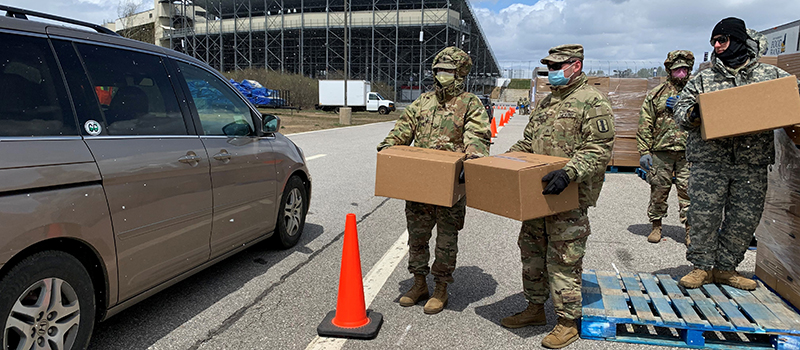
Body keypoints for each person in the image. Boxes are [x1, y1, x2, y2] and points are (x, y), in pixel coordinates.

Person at [674, 17, 800, 291]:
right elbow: (680, 113)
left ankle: (726, 269)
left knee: (744, 219)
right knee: (704, 216)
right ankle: (701, 268)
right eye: (714, 42)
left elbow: (793, 104)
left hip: (751, 163)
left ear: (739, 40)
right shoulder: (704, 78)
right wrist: (694, 113)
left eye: (723, 40)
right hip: (710, 162)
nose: (717, 46)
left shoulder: (770, 77)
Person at [501, 44, 614, 349]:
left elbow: (599, 148)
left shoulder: (592, 101)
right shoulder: (546, 102)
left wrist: (569, 172)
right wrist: (501, 163)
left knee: (564, 258)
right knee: (532, 251)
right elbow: (527, 142)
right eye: (548, 66)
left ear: (575, 66)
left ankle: (567, 322)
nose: (551, 71)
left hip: (569, 195)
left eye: (556, 66)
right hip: (536, 194)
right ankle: (535, 309)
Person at [377, 46, 491, 314]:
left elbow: (477, 138)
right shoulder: (422, 102)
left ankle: (441, 288)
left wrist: (471, 161)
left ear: (461, 73)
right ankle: (419, 283)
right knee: (417, 236)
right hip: (419, 183)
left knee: (446, 239)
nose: (442, 75)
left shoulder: (470, 104)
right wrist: (388, 148)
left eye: (449, 71)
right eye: (439, 70)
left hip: (451, 185)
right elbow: (402, 130)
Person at [636, 50, 694, 244]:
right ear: (669, 70)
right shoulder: (657, 94)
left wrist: (688, 108)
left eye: (684, 70)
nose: (681, 74)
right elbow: (645, 122)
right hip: (662, 152)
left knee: (689, 192)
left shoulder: (696, 92)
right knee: (659, 190)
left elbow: (710, 116)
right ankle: (656, 226)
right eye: (677, 70)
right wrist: (644, 151)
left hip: (689, 152)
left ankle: (690, 230)